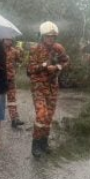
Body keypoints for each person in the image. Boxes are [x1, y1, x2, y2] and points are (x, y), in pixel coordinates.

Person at [27, 21, 69, 157]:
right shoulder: (35, 49)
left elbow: (66, 61)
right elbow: (30, 70)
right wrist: (45, 65)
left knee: (49, 117)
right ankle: (36, 144)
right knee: (41, 114)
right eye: (48, 36)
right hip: (38, 86)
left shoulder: (59, 48)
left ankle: (44, 143)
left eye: (53, 36)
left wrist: (57, 67)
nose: (51, 39)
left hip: (53, 87)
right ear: (42, 36)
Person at [4, 37, 25, 128]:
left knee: (12, 100)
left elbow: (20, 61)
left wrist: (21, 52)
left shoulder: (14, 51)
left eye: (10, 39)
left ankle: (15, 119)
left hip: (10, 79)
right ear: (3, 40)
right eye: (7, 39)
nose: (9, 41)